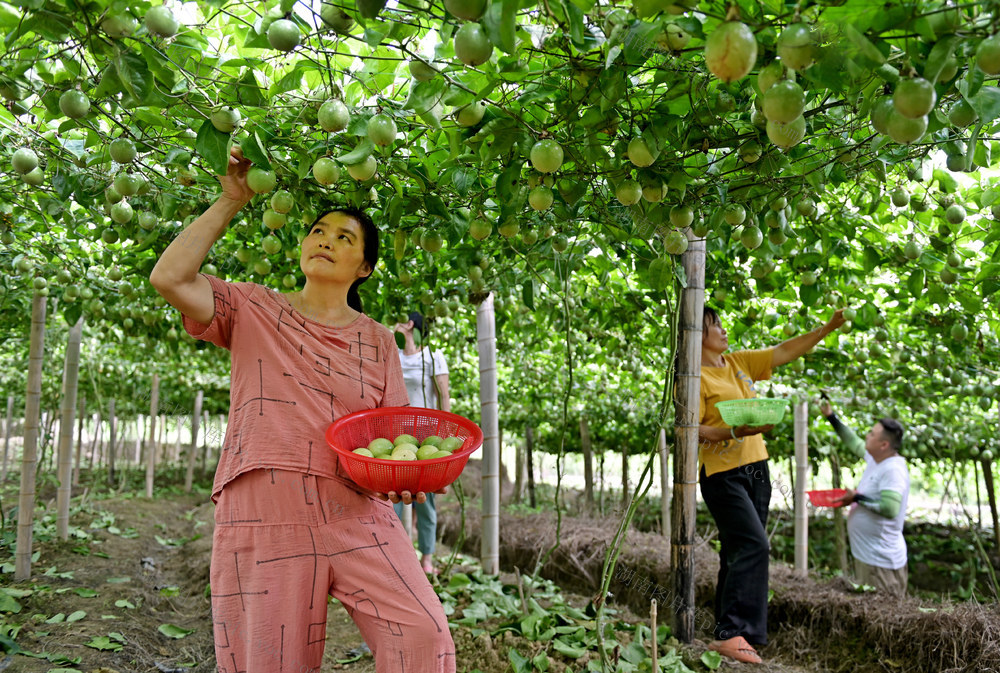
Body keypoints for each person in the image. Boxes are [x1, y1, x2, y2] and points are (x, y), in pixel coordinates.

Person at [149, 146, 455, 673]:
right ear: (301, 245)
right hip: (266, 506)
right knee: (270, 661)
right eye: (318, 230)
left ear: (365, 267)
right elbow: (170, 279)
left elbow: (394, 432)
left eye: (345, 238)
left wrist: (405, 478)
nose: (326, 241)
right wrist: (229, 201)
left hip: (357, 509)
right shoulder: (252, 307)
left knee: (424, 634)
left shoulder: (379, 341)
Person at [698, 305, 845, 665]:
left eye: (720, 322)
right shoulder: (691, 377)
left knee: (736, 550)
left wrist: (825, 328)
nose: (722, 329)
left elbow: (783, 351)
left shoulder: (738, 363)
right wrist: (733, 430)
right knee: (754, 545)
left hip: (756, 468)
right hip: (721, 472)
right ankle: (734, 632)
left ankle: (725, 633)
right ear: (695, 334)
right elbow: (693, 429)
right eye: (714, 324)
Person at [820, 399, 909, 596]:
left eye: (872, 434)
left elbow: (890, 508)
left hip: (881, 564)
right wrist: (831, 417)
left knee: (884, 618)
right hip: (871, 559)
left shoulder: (893, 470)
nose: (866, 436)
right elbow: (852, 441)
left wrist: (857, 498)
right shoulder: (876, 459)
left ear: (884, 444)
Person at [393, 311, 450, 574]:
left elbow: (443, 397)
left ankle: (426, 558)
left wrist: (444, 436)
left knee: (425, 499)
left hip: (425, 434)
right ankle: (395, 556)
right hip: (396, 435)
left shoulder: (432, 358)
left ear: (411, 325)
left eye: (401, 320)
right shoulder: (393, 355)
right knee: (392, 497)